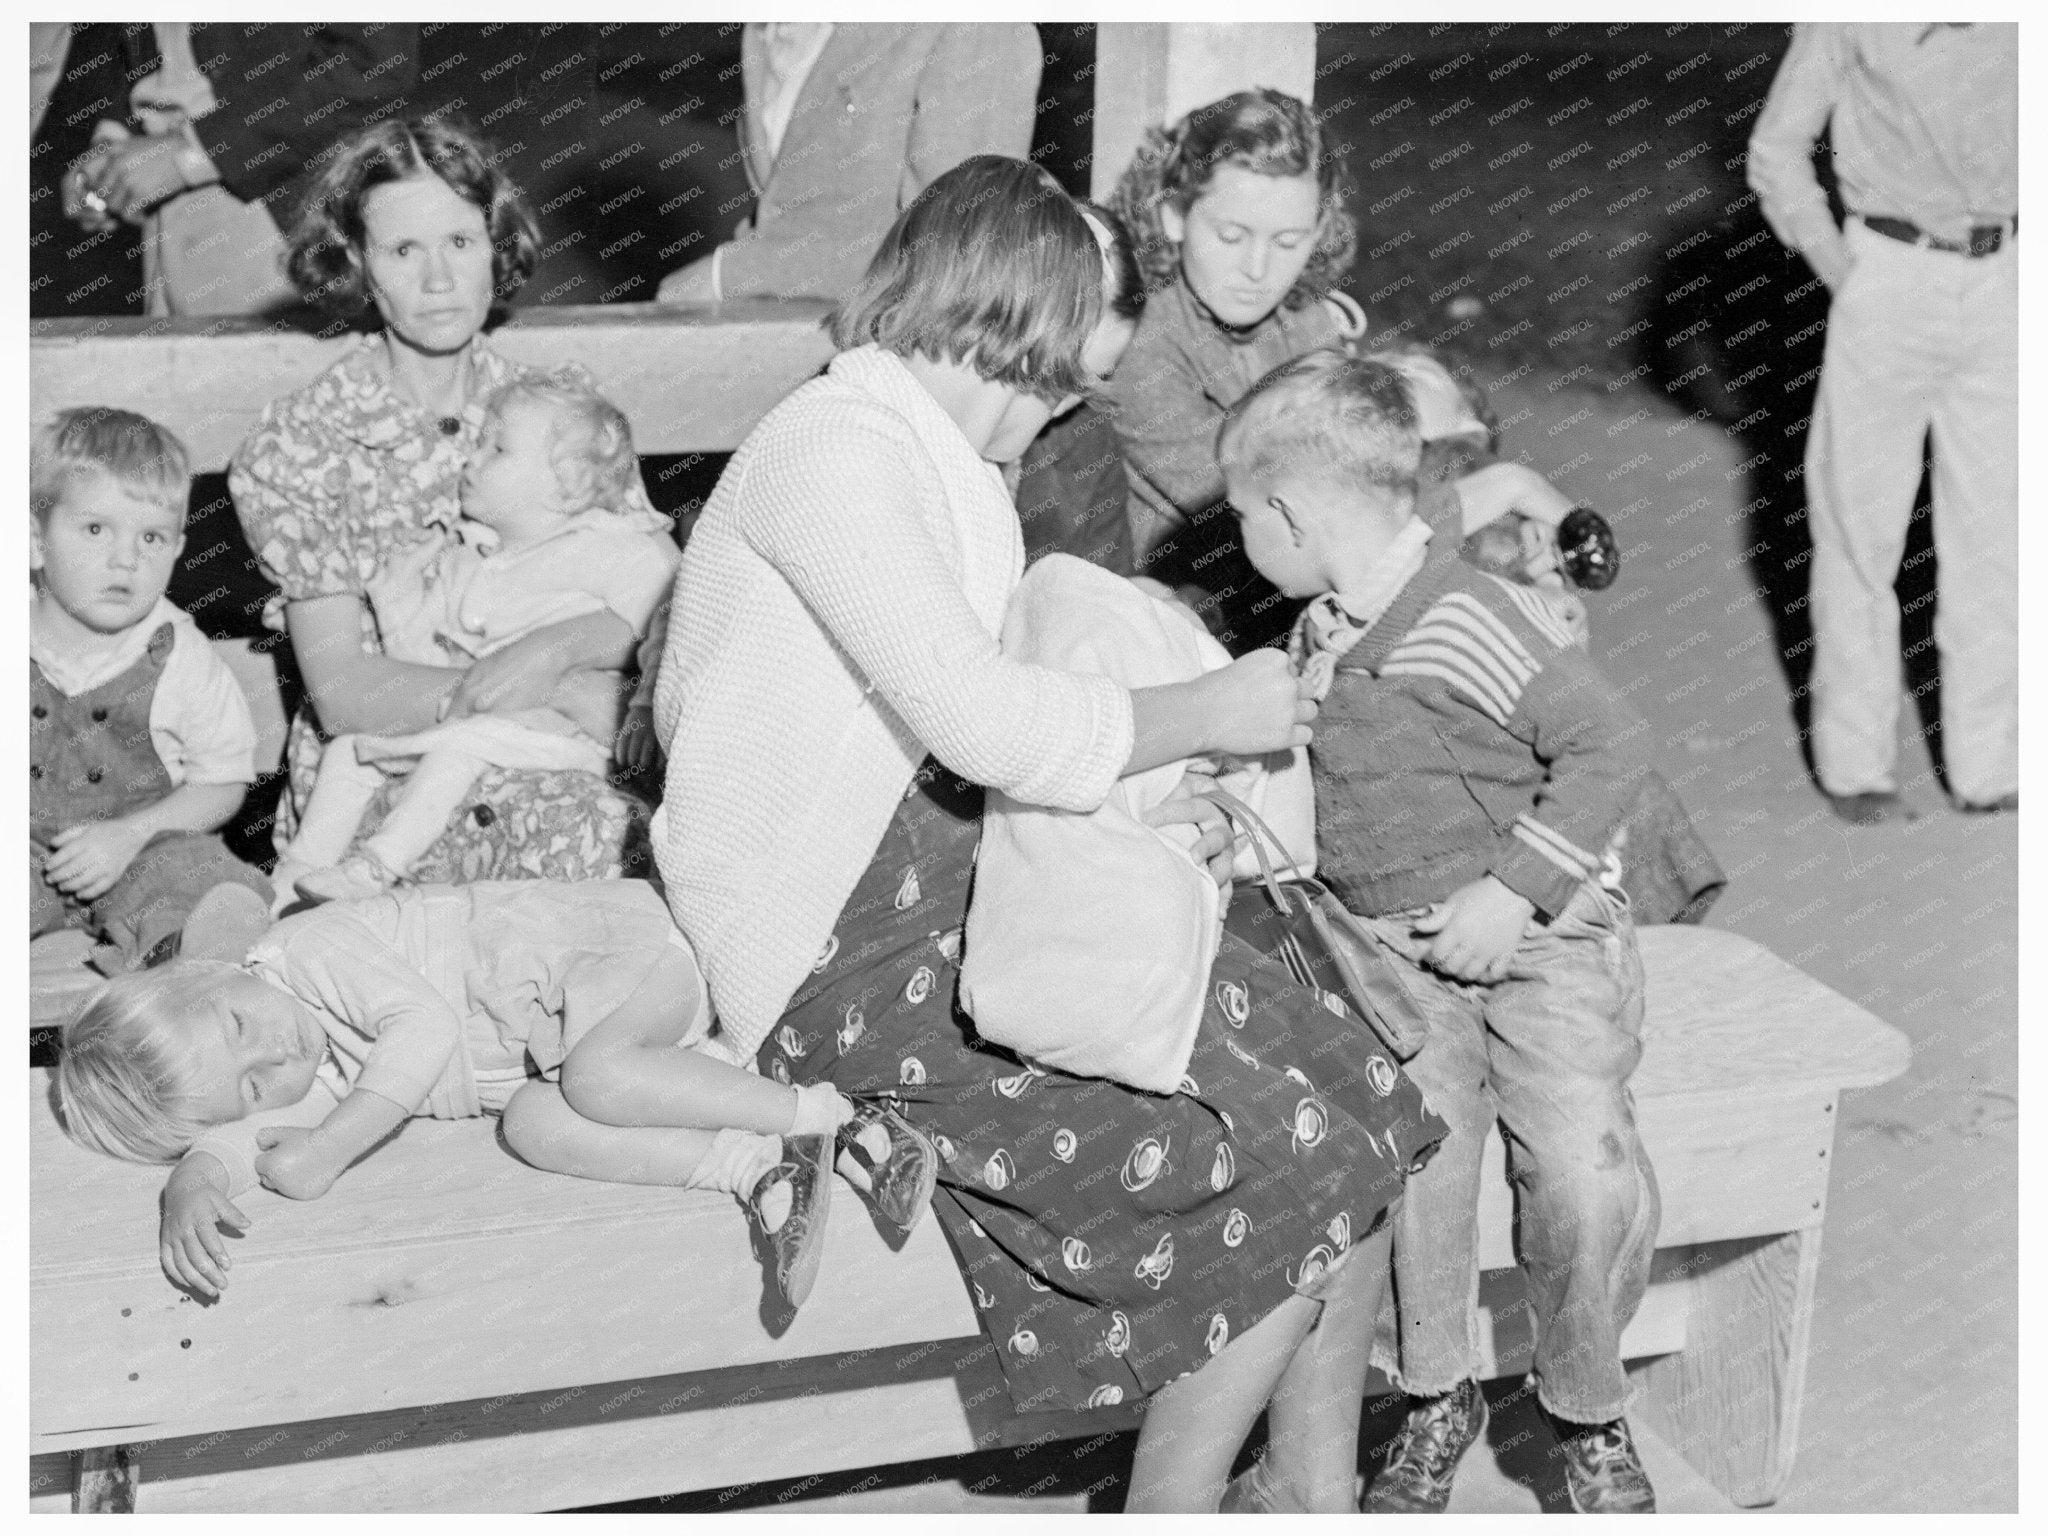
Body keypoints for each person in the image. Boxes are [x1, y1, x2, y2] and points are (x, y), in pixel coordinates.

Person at [652, 155, 1445, 1513]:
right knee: (1285, 1150)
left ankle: (1310, 1503)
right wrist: (1210, 705)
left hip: (926, 880)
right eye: (1058, 380)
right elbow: (988, 726)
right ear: (1007, 315)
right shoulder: (832, 450)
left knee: (1359, 1080)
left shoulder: (936, 450)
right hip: (821, 937)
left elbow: (1001, 730)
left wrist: (1152, 798)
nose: (1061, 412)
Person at [1218, 351, 1661, 1515]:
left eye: (1238, 523)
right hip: (1393, 952)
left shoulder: (1459, 617)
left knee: (1578, 1169)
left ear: (1290, 514)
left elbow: (1608, 746)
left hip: (1533, 938)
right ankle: (1436, 1391)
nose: (1235, 546)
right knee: (1419, 1167)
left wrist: (1512, 892)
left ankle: (1585, 1405)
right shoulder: (1323, 627)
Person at [55, 880, 939, 1312]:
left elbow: (424, 1032)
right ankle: (754, 1171)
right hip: (574, 1042)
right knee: (531, 1121)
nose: (277, 1055)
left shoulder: (305, 953)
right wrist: (196, 1182)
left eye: (242, 1025)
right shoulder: (304, 1067)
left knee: (590, 1077)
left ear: (225, 972)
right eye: (251, 1086)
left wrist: (326, 1151)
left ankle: (828, 1116)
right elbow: (254, 1137)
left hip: (611, 955)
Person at [231, 118, 657, 888]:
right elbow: (345, 691)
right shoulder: (305, 438)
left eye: (460, 243)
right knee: (593, 831)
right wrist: (552, 680)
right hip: (382, 778)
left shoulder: (557, 413)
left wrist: (555, 653)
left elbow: (650, 594)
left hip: (554, 746)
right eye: (403, 250)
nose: (438, 280)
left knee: (647, 829)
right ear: (357, 261)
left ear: (495, 244)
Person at [1016, 88, 1568, 653]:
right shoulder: (1144, 339)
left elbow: (1366, 454)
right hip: (1211, 608)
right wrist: (1491, 491)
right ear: (1174, 215)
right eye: (1231, 236)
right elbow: (1302, 498)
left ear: (1320, 229)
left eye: (1287, 241)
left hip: (1315, 575)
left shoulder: (1305, 319)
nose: (1257, 270)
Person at [1747, 23, 2017, 821]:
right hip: (1887, 274)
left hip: (2008, 275)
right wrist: (1840, 268)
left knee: (1999, 539)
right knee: (1860, 533)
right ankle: (1855, 765)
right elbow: (1776, 148)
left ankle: (1990, 767)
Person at [278, 374, 680, 905]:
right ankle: (292, 881)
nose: (471, 460)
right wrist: (397, 601)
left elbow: (674, 627)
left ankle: (374, 869)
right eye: (476, 444)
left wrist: (646, 704)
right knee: (351, 751)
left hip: (568, 735)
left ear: (569, 483)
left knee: (457, 749)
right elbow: (417, 662)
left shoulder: (613, 547)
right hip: (485, 723)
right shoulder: (470, 559)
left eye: (496, 449)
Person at [31, 407, 273, 972]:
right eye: (95, 529)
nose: (126, 557)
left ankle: (187, 978)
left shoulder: (182, 655)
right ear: (36, 540)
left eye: (151, 537)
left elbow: (223, 783)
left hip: (143, 842)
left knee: (207, 885)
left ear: (177, 549)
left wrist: (129, 836)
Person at [654, 23, 1042, 305]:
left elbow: (958, 254)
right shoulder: (765, 32)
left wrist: (730, 274)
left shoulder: (974, 26)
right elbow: (785, 216)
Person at [58, 24, 418, 317]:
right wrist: (113, 144)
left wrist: (193, 150)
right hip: (162, 221)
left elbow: (376, 63)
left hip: (281, 211)